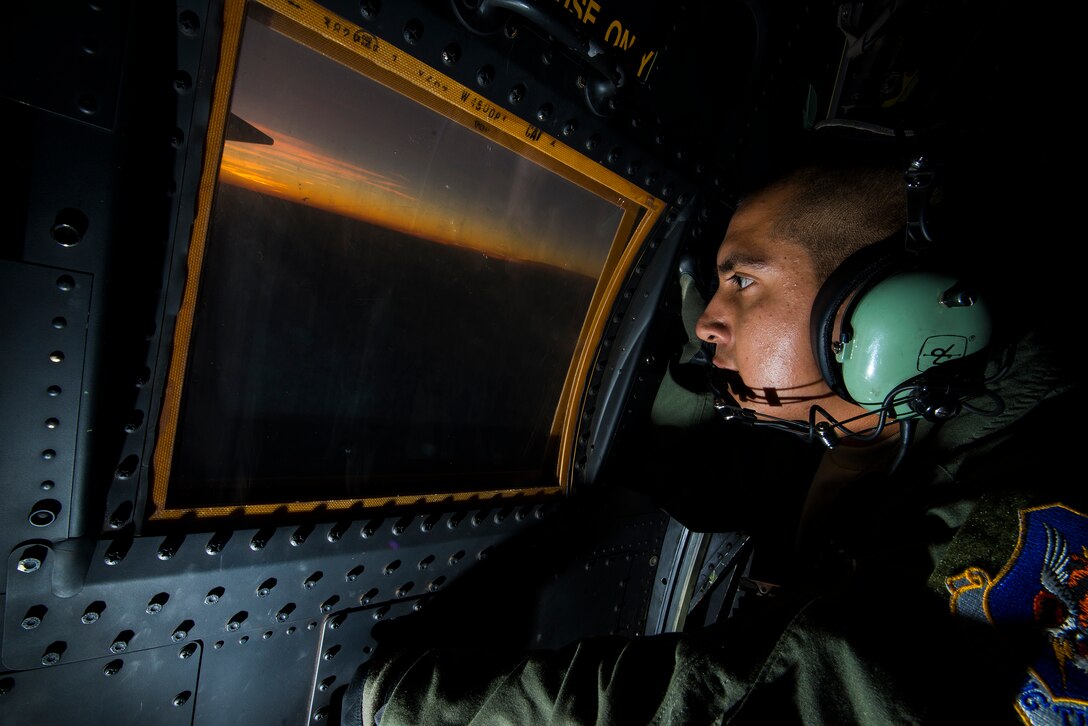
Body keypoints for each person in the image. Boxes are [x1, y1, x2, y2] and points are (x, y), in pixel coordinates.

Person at [339, 149, 1085, 725]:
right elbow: (687, 469)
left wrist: (408, 705)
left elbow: (806, 692)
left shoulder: (1022, 501)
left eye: (744, 281)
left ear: (882, 316)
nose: (709, 321)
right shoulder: (854, 442)